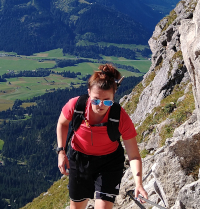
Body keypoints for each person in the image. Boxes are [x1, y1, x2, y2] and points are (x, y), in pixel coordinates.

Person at [56, 64, 148, 209]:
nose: (100, 105)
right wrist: (61, 151)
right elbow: (62, 123)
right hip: (80, 160)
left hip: (109, 163)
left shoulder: (120, 117)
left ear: (113, 97)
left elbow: (134, 156)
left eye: (107, 101)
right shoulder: (76, 105)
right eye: (96, 100)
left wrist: (139, 184)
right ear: (88, 93)